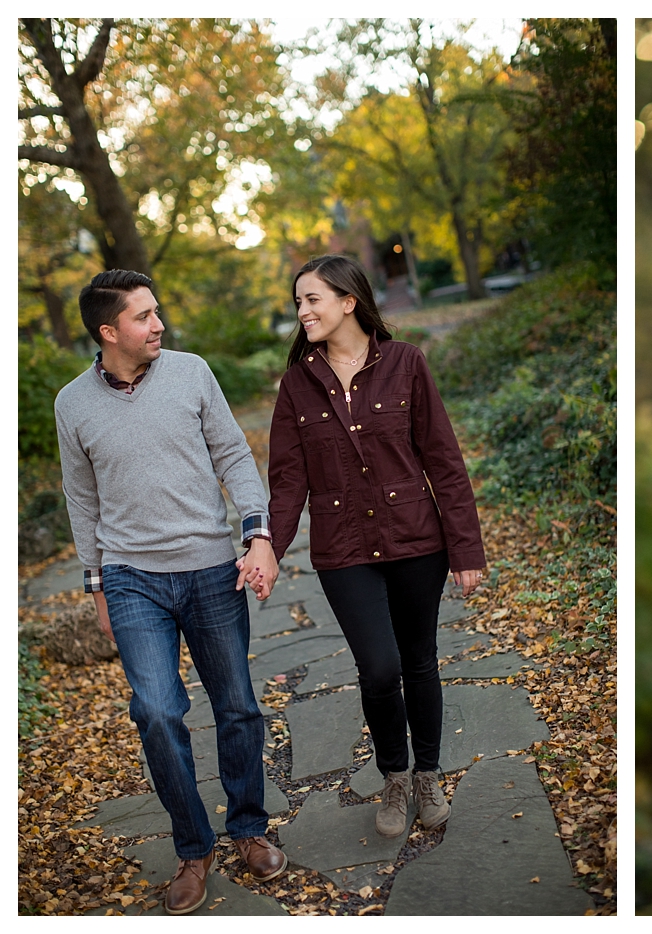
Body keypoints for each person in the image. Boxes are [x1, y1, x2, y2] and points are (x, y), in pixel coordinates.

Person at [55, 269, 289, 914]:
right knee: (157, 712)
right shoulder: (71, 404)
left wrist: (256, 534)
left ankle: (247, 828)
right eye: (143, 316)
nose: (158, 324)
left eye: (157, 312)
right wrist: (97, 587)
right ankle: (194, 848)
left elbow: (235, 459)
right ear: (110, 332)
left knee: (237, 704)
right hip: (132, 579)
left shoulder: (191, 373)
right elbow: (82, 500)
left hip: (212, 568)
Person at [265, 254, 486, 839]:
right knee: (379, 667)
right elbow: (288, 481)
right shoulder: (296, 383)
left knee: (418, 660)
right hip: (345, 550)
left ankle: (427, 775)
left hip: (417, 539)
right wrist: (269, 545)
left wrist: (466, 549)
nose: (302, 310)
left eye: (311, 299)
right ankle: (394, 774)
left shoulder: (406, 363)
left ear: (348, 301)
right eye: (298, 302)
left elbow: (443, 459)